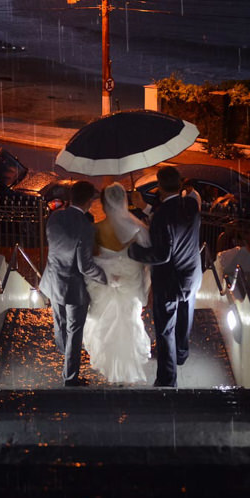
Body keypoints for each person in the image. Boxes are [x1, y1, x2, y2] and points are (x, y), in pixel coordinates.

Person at [128, 165, 203, 388]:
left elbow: (161, 255)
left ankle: (167, 380)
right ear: (179, 184)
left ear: (159, 187)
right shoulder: (191, 204)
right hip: (192, 275)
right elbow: (174, 221)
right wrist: (147, 208)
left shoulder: (162, 217)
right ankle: (181, 353)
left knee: (165, 329)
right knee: (185, 316)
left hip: (170, 281)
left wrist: (134, 251)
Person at [83, 183, 152, 385]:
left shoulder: (96, 229)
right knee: (129, 320)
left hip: (104, 283)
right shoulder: (137, 228)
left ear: (104, 204)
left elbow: (92, 257)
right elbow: (145, 259)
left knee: (104, 323)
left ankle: (109, 366)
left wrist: (110, 267)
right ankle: (126, 369)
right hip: (130, 283)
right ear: (123, 201)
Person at [41, 180, 108, 386]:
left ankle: (63, 350)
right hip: (73, 287)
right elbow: (85, 267)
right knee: (74, 330)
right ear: (89, 201)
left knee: (60, 322)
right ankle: (70, 377)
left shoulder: (55, 217)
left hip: (53, 280)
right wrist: (106, 278)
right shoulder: (85, 227)